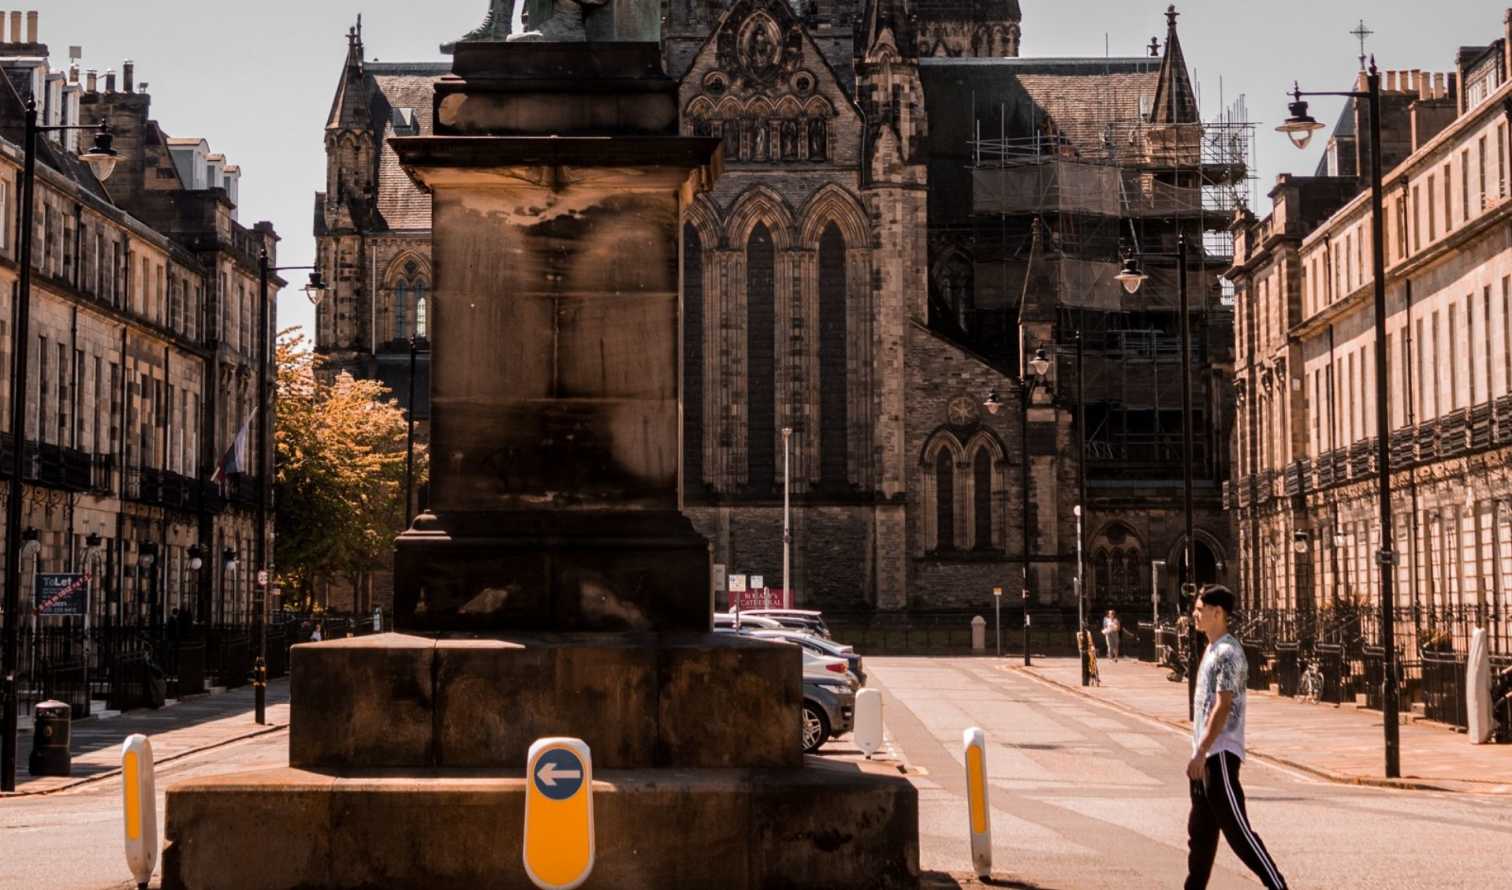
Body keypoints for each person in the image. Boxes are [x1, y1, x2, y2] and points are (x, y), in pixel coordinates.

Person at [1184, 585, 1287, 890]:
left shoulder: (1229, 652)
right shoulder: (1212, 649)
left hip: (1219, 756)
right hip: (1203, 758)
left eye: (1200, 609)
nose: (1194, 615)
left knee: (1239, 833)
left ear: (1218, 613)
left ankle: (1278, 887)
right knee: (1200, 837)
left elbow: (1223, 704)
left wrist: (1202, 751)